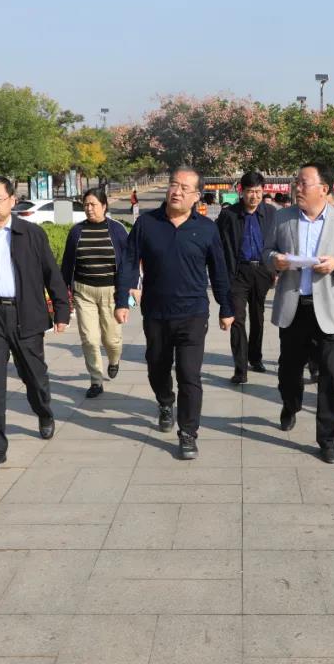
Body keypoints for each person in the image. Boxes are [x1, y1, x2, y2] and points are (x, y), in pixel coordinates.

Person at [115, 167, 234, 460]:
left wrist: (226, 307)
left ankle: (188, 433)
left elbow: (218, 271)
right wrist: (121, 300)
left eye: (184, 187)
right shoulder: (147, 223)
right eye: (173, 185)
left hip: (193, 313)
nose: (176, 191)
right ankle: (165, 401)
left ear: (196, 196)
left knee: (189, 375)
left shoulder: (206, 228)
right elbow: (129, 262)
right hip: (156, 312)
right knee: (156, 366)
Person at [0, 175, 71, 474]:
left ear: (12, 200)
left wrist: (62, 310)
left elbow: (51, 274)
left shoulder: (32, 234)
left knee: (34, 377)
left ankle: (44, 411)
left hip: (26, 316)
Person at [265, 162, 334, 464]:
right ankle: (290, 404)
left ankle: (328, 438)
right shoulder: (282, 217)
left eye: (303, 183)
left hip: (329, 310)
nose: (297, 187)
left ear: (324, 188)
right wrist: (276, 260)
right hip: (293, 307)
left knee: (332, 376)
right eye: (296, 182)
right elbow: (266, 252)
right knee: (288, 370)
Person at [61, 188, 129, 399]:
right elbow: (67, 264)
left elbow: (128, 264)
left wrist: (126, 294)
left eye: (93, 204)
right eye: (86, 205)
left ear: (104, 206)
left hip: (111, 293)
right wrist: (62, 293)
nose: (89, 209)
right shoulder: (77, 231)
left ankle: (114, 360)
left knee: (112, 340)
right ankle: (96, 380)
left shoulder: (117, 230)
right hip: (84, 293)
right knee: (89, 339)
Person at [217, 172, 278, 384]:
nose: (254, 196)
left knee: (258, 316)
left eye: (258, 192)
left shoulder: (271, 213)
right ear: (241, 191)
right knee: (237, 319)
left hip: (262, 271)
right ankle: (240, 369)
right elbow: (219, 246)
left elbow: (279, 242)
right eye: (250, 191)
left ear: (263, 191)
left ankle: (255, 358)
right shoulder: (228, 215)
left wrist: (275, 271)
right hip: (238, 273)